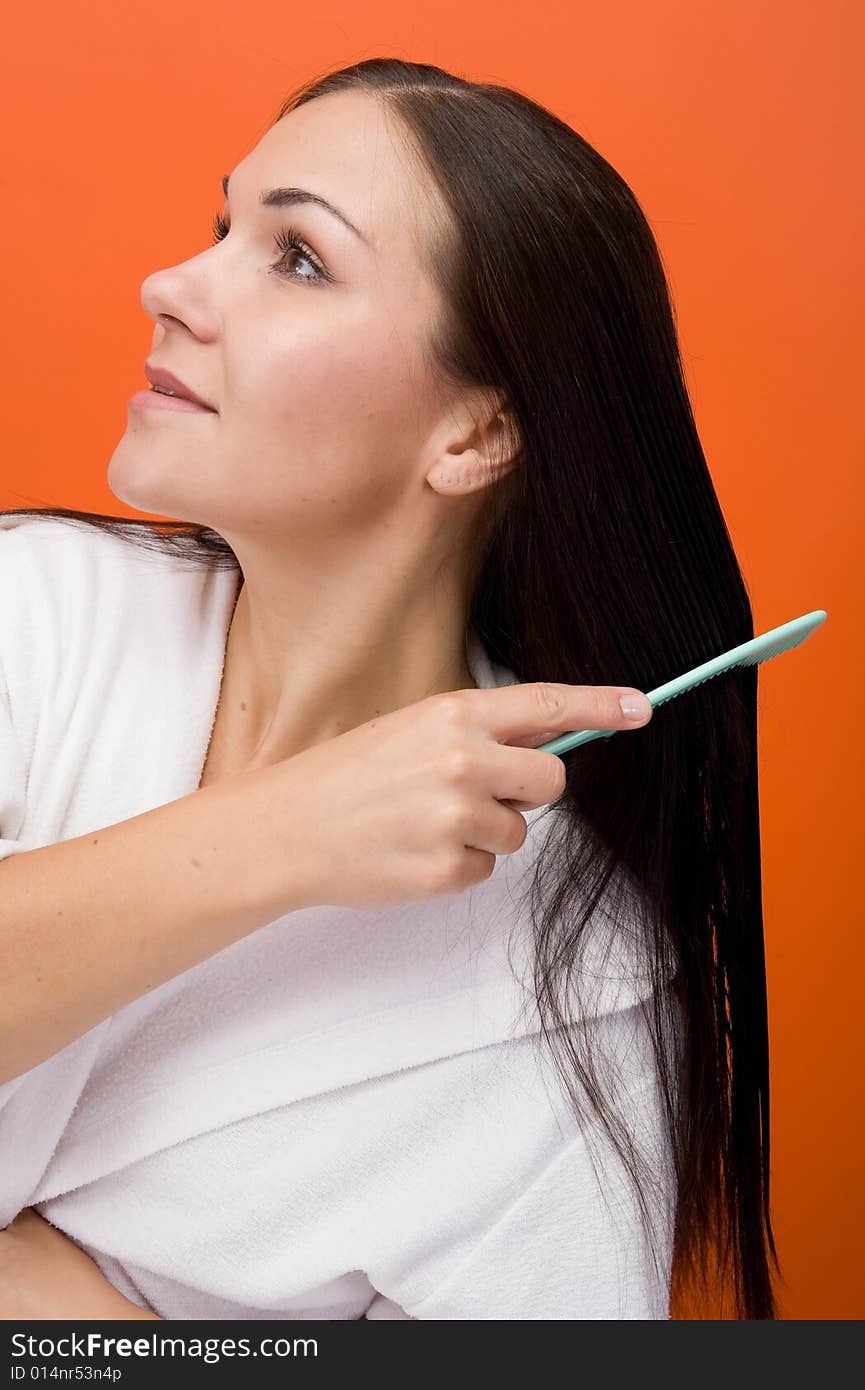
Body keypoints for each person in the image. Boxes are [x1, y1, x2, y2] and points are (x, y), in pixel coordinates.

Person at [0, 55, 779, 1320]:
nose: (171, 286)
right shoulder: (29, 611)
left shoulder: (572, 991)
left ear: (474, 432)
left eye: (297, 256)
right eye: (221, 226)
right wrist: (291, 829)